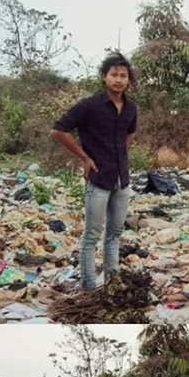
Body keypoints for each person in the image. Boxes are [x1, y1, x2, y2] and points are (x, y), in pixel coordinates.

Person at [51, 53, 138, 290]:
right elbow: (59, 130)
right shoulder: (89, 105)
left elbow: (130, 133)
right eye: (114, 75)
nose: (119, 80)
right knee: (91, 236)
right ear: (104, 77)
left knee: (115, 234)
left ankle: (112, 282)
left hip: (122, 180)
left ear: (128, 80)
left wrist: (120, 154)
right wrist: (85, 157)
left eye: (123, 76)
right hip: (98, 180)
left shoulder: (131, 108)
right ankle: (88, 286)